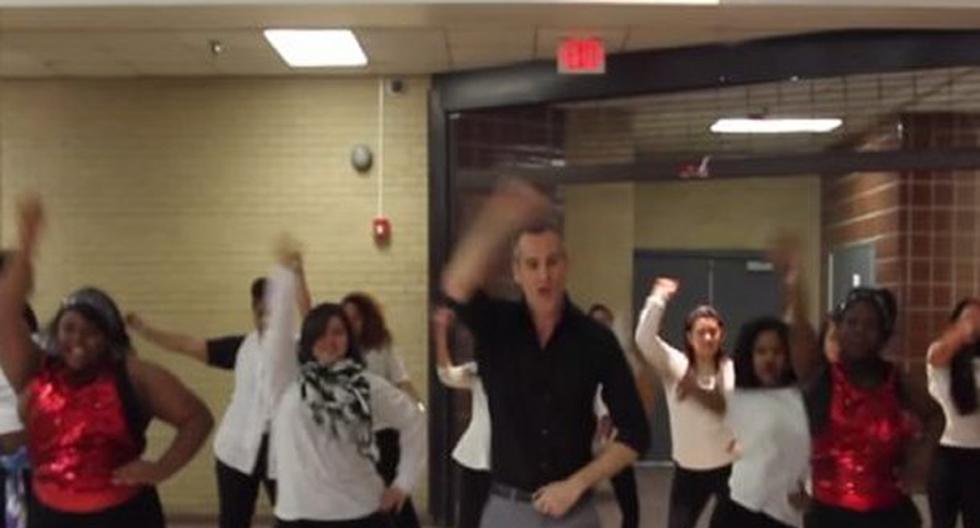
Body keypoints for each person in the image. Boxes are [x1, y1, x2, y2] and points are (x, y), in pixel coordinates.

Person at [441, 181, 649, 528]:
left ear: (566, 266)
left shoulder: (595, 339)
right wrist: (499, 217)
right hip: (507, 508)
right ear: (516, 272)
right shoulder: (497, 326)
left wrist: (577, 483)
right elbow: (456, 285)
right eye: (532, 264)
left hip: (575, 510)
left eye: (552, 262)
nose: (544, 275)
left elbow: (636, 433)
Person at [0, 196, 214, 528]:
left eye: (92, 331)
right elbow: (4, 312)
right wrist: (28, 243)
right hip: (51, 517)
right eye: (70, 328)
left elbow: (197, 418)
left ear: (109, 337)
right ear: (57, 330)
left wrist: (162, 468)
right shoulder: (36, 371)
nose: (78, 341)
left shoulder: (135, 375)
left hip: (123, 516)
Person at [126, 247, 311, 528]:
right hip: (235, 450)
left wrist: (297, 275)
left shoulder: (298, 348)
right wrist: (145, 330)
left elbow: (312, 320)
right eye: (260, 310)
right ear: (253, 311)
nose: (265, 317)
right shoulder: (241, 347)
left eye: (272, 310)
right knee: (233, 522)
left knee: (294, 521)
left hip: (283, 452)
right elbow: (187, 345)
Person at [775, 243, 944, 528]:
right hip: (831, 516)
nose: (858, 331)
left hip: (890, 515)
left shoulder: (897, 381)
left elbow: (936, 415)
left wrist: (923, 457)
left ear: (883, 335)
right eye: (851, 323)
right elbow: (799, 331)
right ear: (838, 327)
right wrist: (794, 281)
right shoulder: (821, 376)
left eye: (869, 325)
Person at [261, 257, 425, 528]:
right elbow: (277, 332)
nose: (329, 341)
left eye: (338, 333)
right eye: (321, 334)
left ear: (349, 339)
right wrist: (285, 277)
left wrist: (403, 483)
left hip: (360, 512)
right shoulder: (287, 381)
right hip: (298, 514)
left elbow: (414, 421)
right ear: (308, 339)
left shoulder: (367, 384)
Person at [634, 278, 734, 528]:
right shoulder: (675, 364)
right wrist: (658, 298)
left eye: (714, 332)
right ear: (689, 337)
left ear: (721, 335)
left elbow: (727, 405)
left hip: (728, 468)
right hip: (688, 470)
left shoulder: (729, 368)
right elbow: (644, 340)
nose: (708, 337)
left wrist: (697, 391)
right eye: (701, 332)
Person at [710, 317, 809, 528]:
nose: (769, 359)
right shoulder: (737, 398)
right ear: (750, 356)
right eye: (761, 352)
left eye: (777, 352)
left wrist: (810, 490)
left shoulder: (804, 398)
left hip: (786, 511)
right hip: (741, 506)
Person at [341, 292, 423, 528]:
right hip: (355, 436)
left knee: (395, 496)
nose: (352, 323)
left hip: (384, 432)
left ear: (366, 319)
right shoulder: (340, 348)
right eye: (346, 318)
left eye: (356, 317)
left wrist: (418, 406)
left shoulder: (381, 343)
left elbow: (401, 380)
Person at [432, 307, 490, 528]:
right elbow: (446, 374)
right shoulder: (479, 371)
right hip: (476, 456)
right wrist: (440, 333)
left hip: (511, 459)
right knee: (470, 519)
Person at [926, 297, 980, 528]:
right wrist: (961, 334)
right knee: (942, 521)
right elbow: (938, 358)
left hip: (978, 454)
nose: (974, 325)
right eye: (968, 318)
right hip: (946, 452)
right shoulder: (940, 351)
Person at [586, 304, 641, 528]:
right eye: (596, 322)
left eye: (605, 322)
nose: (601, 327)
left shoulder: (620, 360)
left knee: (629, 503)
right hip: (581, 435)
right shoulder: (576, 355)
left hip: (615, 438)